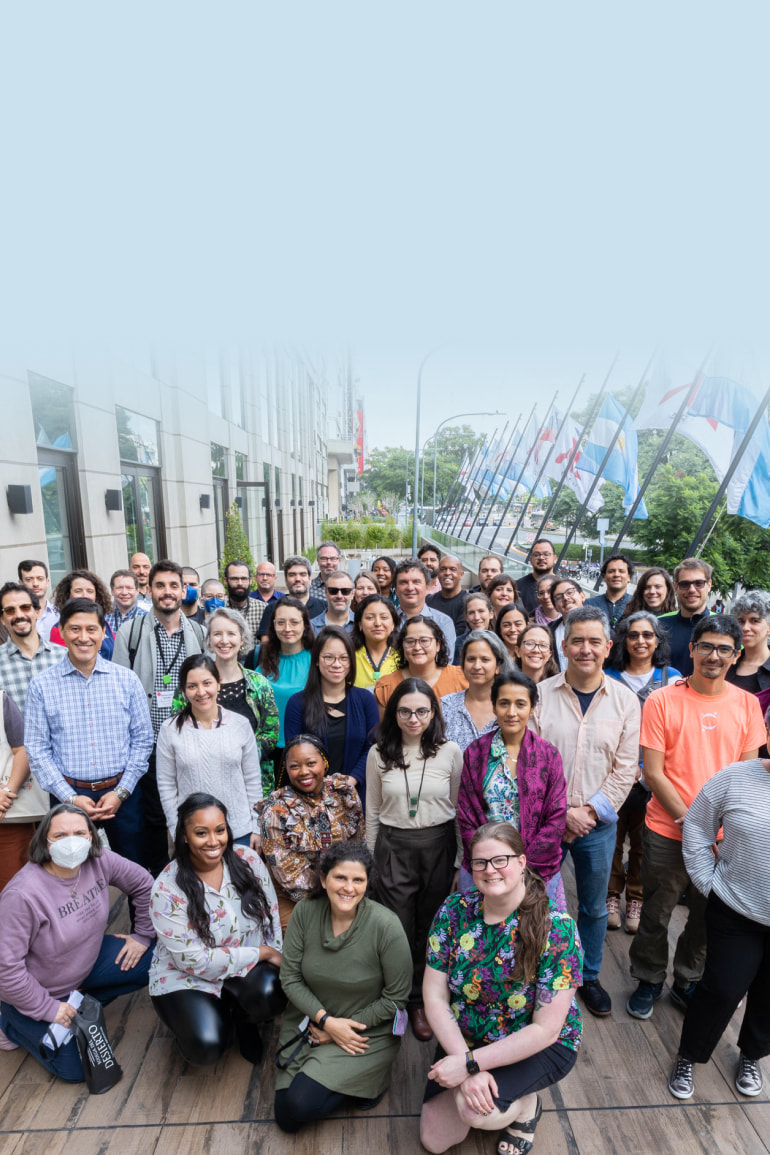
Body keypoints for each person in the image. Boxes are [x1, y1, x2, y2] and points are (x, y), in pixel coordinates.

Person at [627, 614, 765, 1020]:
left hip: (726, 839)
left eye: (724, 649)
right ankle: (648, 977)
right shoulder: (662, 700)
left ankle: (687, 977)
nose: (714, 655)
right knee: (656, 911)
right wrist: (694, 825)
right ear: (692, 649)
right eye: (706, 646)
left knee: (708, 917)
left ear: (736, 655)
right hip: (667, 829)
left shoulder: (746, 706)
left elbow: (746, 778)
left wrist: (715, 832)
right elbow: (653, 772)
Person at [419, 823, 582, 1155]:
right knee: (433, 1141)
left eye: (500, 860)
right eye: (480, 863)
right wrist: (465, 1060)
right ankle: (492, 1090)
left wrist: (468, 1067)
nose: (489, 870)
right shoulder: (454, 911)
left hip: (535, 1042)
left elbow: (546, 1029)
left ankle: (525, 1109)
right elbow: (434, 996)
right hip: (468, 1034)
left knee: (476, 1110)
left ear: (522, 862)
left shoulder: (558, 929)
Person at [532, 606, 640, 1017]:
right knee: (537, 901)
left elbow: (626, 770)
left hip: (597, 826)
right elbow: (531, 763)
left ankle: (588, 976)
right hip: (545, 823)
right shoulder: (539, 696)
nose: (585, 649)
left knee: (594, 906)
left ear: (608, 647)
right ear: (563, 646)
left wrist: (588, 814)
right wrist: (562, 815)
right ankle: (543, 970)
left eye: (595, 641)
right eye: (577, 640)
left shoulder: (626, 702)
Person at [0, 803, 154, 1078]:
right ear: (45, 842)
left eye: (79, 833)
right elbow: (6, 968)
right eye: (60, 836)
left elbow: (144, 883)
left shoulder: (100, 859)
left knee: (154, 961)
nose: (71, 842)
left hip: (86, 962)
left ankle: (79, 1003)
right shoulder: (22, 895)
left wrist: (142, 935)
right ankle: (8, 1021)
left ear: (92, 837)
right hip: (41, 988)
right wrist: (49, 1008)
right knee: (80, 1068)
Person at [274, 841, 412, 1134]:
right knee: (286, 1118)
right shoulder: (305, 913)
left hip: (365, 1030)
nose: (348, 888)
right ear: (323, 879)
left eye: (358, 880)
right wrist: (326, 1021)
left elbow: (396, 998)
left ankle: (370, 1083)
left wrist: (338, 1030)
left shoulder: (386, 926)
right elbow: (290, 979)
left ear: (367, 884)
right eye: (340, 877)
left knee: (299, 1105)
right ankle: (340, 1081)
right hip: (313, 1019)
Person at [667, 719, 770, 1100]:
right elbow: (697, 825)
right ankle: (688, 1055)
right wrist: (706, 880)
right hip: (737, 910)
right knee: (722, 989)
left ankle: (752, 1054)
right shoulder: (735, 777)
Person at [149, 793, 284, 1066]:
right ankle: (208, 1015)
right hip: (187, 975)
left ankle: (242, 1019)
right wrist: (264, 953)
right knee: (206, 1045)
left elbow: (271, 918)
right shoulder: (166, 888)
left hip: (244, 965)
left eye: (220, 830)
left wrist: (276, 954)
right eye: (201, 833)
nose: (213, 841)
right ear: (184, 836)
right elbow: (196, 962)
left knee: (273, 992)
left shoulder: (248, 860)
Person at [365, 678, 463, 1040]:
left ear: (433, 712)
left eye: (422, 710)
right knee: (397, 928)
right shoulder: (379, 752)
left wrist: (459, 863)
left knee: (430, 927)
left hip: (438, 846)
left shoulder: (450, 751)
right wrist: (371, 861)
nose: (413, 718)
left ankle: (424, 1000)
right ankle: (399, 999)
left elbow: (457, 810)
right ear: (394, 713)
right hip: (393, 846)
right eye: (405, 711)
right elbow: (372, 811)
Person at [25, 597, 154, 869]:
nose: (84, 637)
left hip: (122, 795)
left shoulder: (126, 680)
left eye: (91, 629)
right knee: (68, 873)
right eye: (75, 629)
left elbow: (143, 740)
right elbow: (37, 749)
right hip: (68, 794)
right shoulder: (42, 686)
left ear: (103, 632)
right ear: (61, 631)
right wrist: (69, 797)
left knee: (133, 870)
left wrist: (122, 791)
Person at [113, 559, 205, 876]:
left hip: (192, 741)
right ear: (148, 589)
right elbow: (118, 693)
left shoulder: (199, 632)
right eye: (160, 585)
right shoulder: (131, 632)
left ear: (184, 590)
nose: (167, 592)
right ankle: (157, 881)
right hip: (149, 744)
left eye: (173, 585)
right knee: (153, 817)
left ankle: (193, 874)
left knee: (194, 809)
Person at [458, 670, 568, 906]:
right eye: (504, 703)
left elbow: (556, 817)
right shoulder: (476, 753)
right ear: (494, 706)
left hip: (537, 869)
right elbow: (467, 815)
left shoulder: (548, 755)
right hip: (484, 868)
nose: (511, 712)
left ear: (532, 708)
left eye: (520, 704)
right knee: (482, 937)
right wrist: (493, 862)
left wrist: (521, 866)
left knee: (536, 938)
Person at [604, 612, 681, 935]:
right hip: (613, 774)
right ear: (624, 640)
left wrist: (647, 771)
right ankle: (611, 895)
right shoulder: (609, 675)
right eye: (633, 635)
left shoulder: (672, 677)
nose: (640, 641)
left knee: (641, 844)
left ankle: (635, 897)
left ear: (658, 640)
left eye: (647, 635)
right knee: (611, 839)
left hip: (655, 778)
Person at [257, 735, 365, 929]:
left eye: (311, 763)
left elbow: (358, 848)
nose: (304, 772)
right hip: (294, 898)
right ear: (286, 770)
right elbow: (290, 879)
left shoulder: (344, 793)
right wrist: (335, 898)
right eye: (295, 766)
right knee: (309, 942)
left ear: (324, 763)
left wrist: (347, 891)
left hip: (343, 889)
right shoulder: (276, 811)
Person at [156, 655, 263, 848]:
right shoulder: (170, 729)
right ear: (183, 690)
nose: (201, 692)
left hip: (239, 831)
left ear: (218, 684)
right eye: (192, 686)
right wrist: (176, 829)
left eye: (207, 683)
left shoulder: (240, 725)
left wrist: (256, 826)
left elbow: (253, 779)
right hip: (193, 834)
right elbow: (166, 786)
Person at [284, 626, 379, 800]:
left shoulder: (365, 699)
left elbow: (373, 747)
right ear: (317, 660)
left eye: (344, 658)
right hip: (310, 800)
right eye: (329, 657)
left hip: (357, 796)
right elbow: (294, 755)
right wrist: (325, 786)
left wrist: (351, 780)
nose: (337, 664)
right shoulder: (297, 703)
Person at [204, 606, 279, 793]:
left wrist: (240, 756)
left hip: (252, 783)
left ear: (242, 639)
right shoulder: (196, 684)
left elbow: (271, 734)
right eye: (217, 634)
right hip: (206, 781)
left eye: (231, 634)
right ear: (209, 640)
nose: (224, 640)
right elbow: (180, 728)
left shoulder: (259, 684)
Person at [256, 596, 314, 773]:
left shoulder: (317, 659)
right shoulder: (260, 657)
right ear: (273, 625)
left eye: (294, 622)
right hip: (269, 753)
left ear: (304, 625)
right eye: (281, 622)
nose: (287, 628)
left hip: (306, 750)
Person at [374, 616, 468, 716]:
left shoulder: (462, 678)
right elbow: (384, 730)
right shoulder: (386, 687)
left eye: (424, 640)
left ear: (438, 645)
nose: (417, 647)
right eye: (410, 641)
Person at [0, 582, 65, 713]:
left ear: (37, 611)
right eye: (10, 610)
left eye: (25, 607)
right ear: (2, 619)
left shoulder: (65, 657)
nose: (19, 615)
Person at [442, 631, 510, 751]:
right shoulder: (446, 705)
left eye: (485, 660)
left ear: (498, 666)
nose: (477, 666)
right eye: (471, 659)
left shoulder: (510, 708)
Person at [0, 687, 38, 891]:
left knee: (14, 888)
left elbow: (23, 749)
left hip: (7, 818)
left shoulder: (2, 701)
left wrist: (7, 790)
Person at [658, 557, 713, 676]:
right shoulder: (659, 626)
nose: (692, 590)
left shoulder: (724, 628)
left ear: (709, 585)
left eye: (699, 583)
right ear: (675, 587)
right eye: (684, 584)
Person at [394, 559, 456, 656]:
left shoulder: (443, 622)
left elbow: (445, 661)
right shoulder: (386, 622)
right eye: (403, 582)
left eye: (416, 582)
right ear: (396, 590)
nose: (410, 588)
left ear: (427, 587)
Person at [49, 569, 116, 660]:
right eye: (78, 591)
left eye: (90, 591)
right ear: (68, 595)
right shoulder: (58, 629)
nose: (85, 595)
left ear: (97, 596)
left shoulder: (105, 625)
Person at [258, 556, 326, 641]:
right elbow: (266, 645)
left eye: (302, 574)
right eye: (292, 575)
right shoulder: (272, 609)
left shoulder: (325, 608)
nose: (298, 579)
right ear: (285, 580)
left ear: (309, 579)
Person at [352, 594, 401, 691]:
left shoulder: (403, 657)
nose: (378, 623)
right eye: (370, 617)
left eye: (384, 617)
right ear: (360, 624)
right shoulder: (349, 656)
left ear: (393, 624)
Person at [727, 590, 770, 695]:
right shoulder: (727, 663)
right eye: (741, 621)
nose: (745, 628)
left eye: (755, 621)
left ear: (769, 627)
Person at [585, 554, 635, 630]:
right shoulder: (589, 604)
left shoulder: (637, 604)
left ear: (629, 577)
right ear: (604, 576)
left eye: (621, 571)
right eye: (611, 571)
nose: (616, 574)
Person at [549, 579, 586, 671]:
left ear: (582, 596)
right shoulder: (549, 631)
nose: (565, 598)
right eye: (559, 597)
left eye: (570, 592)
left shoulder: (601, 627)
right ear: (555, 607)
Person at [17, 559, 59, 641]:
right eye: (29, 579)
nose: (35, 584)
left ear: (47, 582)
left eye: (40, 578)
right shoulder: (14, 616)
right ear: (20, 583)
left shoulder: (60, 614)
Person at [427, 554, 467, 637]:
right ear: (438, 574)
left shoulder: (468, 602)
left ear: (461, 575)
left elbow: (459, 634)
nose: (447, 573)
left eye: (453, 569)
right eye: (443, 569)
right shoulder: (428, 601)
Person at [515, 539, 558, 615]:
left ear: (555, 559)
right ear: (531, 559)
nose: (541, 557)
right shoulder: (517, 587)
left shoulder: (563, 586)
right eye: (536, 554)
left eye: (546, 554)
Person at [452, 592, 496, 663]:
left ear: (491, 614)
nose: (476, 617)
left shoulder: (500, 642)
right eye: (471, 612)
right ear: (466, 617)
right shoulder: (456, 644)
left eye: (481, 611)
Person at [224, 560, 263, 637]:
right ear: (225, 580)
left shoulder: (263, 609)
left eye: (244, 579)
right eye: (234, 579)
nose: (240, 583)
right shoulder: (219, 608)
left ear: (250, 581)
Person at [310, 570, 355, 635]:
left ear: (353, 593)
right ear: (325, 591)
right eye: (333, 591)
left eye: (345, 591)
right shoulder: (311, 628)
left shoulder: (361, 624)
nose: (339, 596)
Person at [106, 568, 149, 633]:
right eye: (119, 588)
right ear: (112, 591)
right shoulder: (104, 618)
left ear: (137, 591)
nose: (124, 592)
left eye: (129, 588)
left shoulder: (147, 618)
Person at [252, 560, 283, 630]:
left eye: (269, 575)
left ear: (275, 578)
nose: (265, 578)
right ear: (255, 577)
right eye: (261, 574)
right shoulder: (248, 599)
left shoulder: (284, 599)